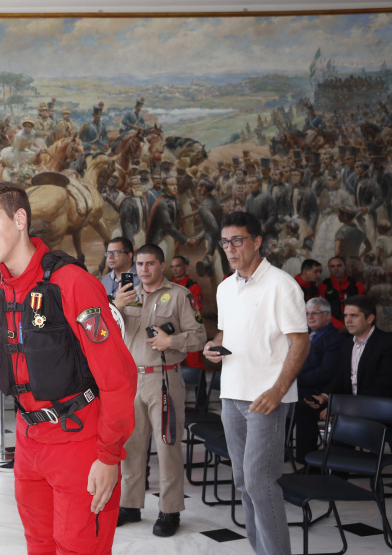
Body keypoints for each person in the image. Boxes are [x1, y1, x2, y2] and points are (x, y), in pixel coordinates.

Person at [0, 181, 137, 553]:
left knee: (79, 547)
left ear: (20, 219)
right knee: (38, 544)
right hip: (28, 441)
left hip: (80, 442)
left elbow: (117, 378)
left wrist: (108, 456)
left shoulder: (72, 283)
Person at [203, 212, 309, 555]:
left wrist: (278, 391)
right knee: (243, 481)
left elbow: (300, 342)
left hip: (266, 399)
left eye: (238, 240)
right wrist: (213, 346)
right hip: (231, 394)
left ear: (257, 241)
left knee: (260, 483)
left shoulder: (281, 285)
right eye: (225, 242)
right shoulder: (225, 287)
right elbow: (226, 332)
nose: (230, 249)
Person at [115, 245, 205, 537]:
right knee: (131, 446)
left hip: (164, 379)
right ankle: (130, 504)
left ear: (162, 265)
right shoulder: (128, 295)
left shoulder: (179, 295)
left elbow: (199, 336)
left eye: (150, 263)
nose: (144, 269)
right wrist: (115, 305)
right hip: (132, 380)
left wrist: (172, 341)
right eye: (140, 264)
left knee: (167, 446)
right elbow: (106, 332)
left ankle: (169, 510)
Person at [292, 298, 345, 466]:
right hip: (301, 386)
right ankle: (281, 452)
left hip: (321, 391)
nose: (310, 317)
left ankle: (307, 461)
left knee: (302, 406)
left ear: (328, 315)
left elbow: (325, 372)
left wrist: (293, 377)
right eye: (307, 313)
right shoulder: (304, 334)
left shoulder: (335, 339)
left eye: (315, 313)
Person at [169, 255, 205, 371]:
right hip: (172, 333)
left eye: (178, 266)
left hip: (190, 333)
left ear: (185, 267)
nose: (174, 269)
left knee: (195, 365)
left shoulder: (193, 287)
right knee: (174, 366)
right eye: (172, 267)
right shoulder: (167, 287)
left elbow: (195, 313)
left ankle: (200, 384)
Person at [319, 256, 366, 331]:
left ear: (345, 267)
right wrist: (340, 326)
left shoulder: (357, 285)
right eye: (332, 266)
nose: (336, 269)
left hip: (355, 327)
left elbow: (364, 307)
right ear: (329, 268)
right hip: (332, 328)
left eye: (339, 266)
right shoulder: (323, 287)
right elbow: (322, 310)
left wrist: (353, 324)